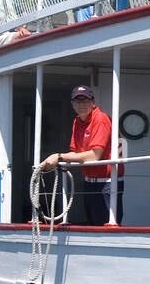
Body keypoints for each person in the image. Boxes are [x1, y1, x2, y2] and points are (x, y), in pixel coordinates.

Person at [41, 86, 123, 224]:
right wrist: (51, 161)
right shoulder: (77, 121)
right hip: (90, 182)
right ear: (72, 104)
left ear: (93, 102)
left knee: (106, 228)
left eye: (85, 101)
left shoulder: (100, 119)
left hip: (108, 183)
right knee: (92, 226)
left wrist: (58, 157)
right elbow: (76, 152)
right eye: (77, 101)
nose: (81, 105)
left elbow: (94, 156)